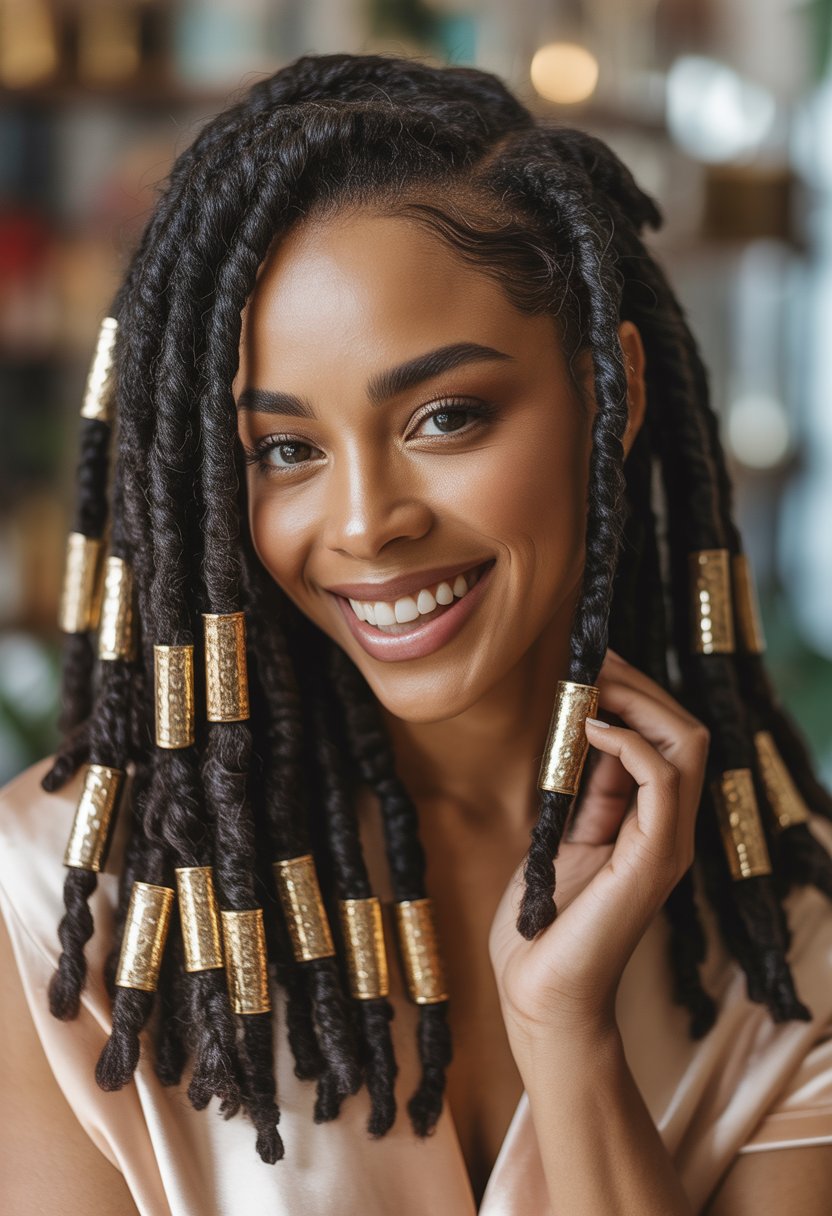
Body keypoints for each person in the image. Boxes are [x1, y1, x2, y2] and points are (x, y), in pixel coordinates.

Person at [1, 50, 832, 1216]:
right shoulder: (56, 902)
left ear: (615, 390)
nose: (364, 524)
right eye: (284, 449)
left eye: (445, 416)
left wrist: (569, 1031)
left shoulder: (790, 925)